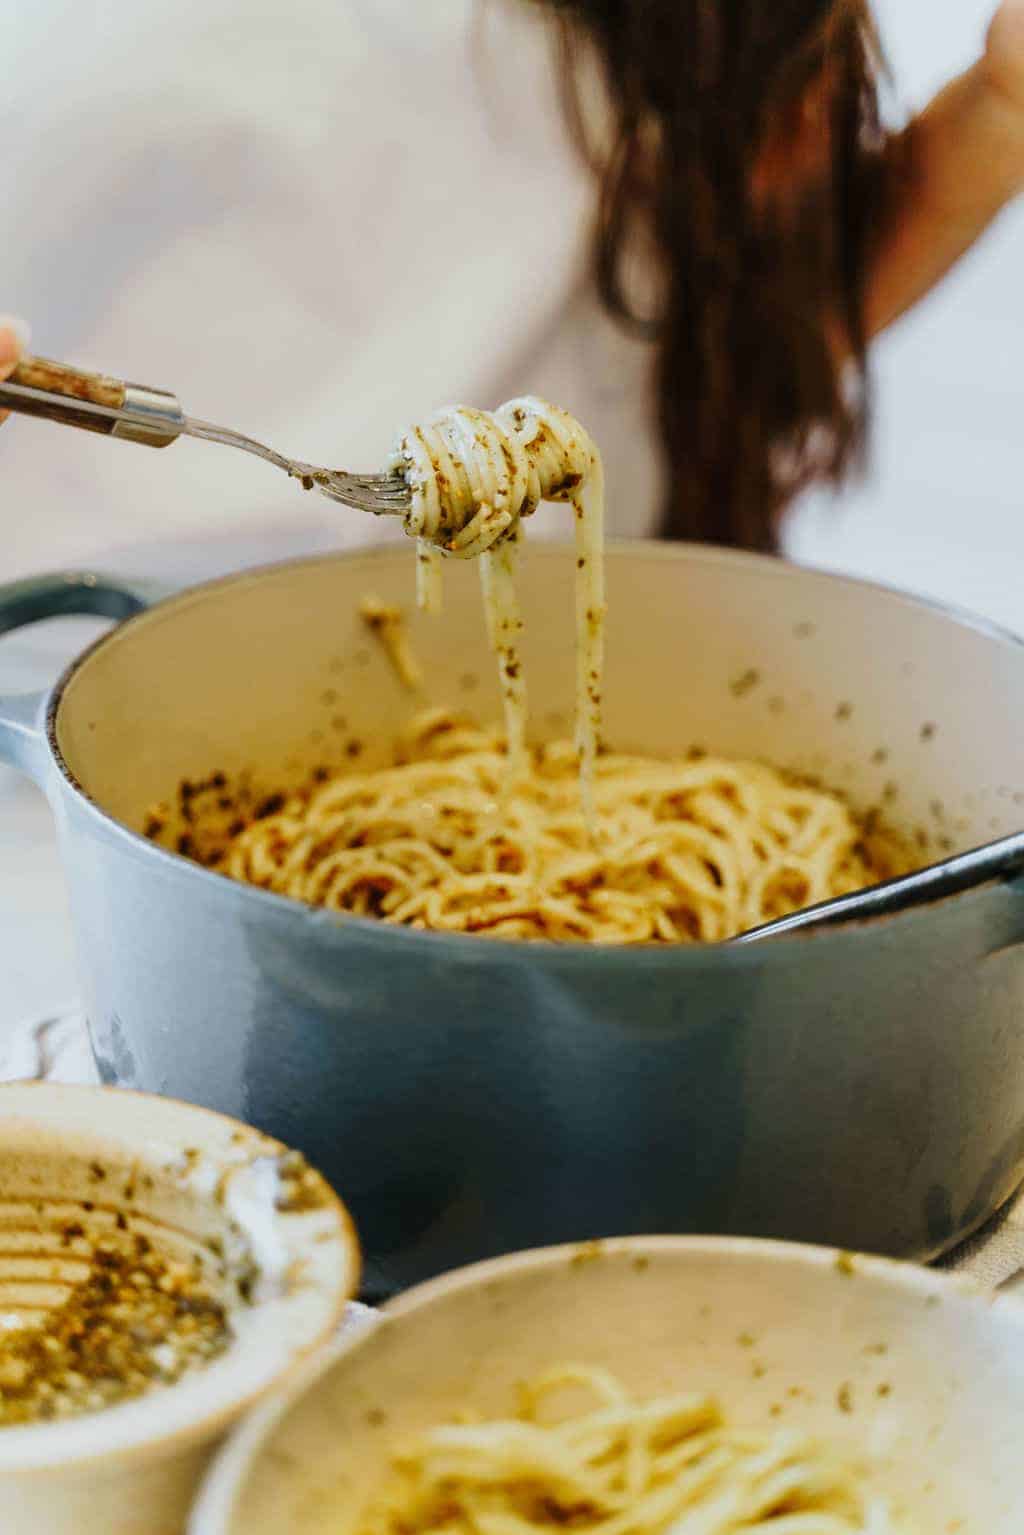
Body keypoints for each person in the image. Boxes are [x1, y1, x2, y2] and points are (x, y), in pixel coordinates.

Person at [1, 0, 1021, 566]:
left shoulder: (727, 49)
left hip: (534, 704)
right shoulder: (181, 56)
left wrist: (998, 105)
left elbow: (746, 332)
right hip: (81, 731)